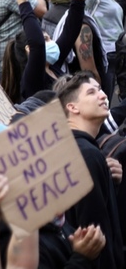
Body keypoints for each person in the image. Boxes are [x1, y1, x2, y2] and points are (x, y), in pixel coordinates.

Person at [58, 72, 124, 269]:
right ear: (72, 107)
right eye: (91, 92)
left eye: (101, 90)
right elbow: (94, 236)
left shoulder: (76, 148)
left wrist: (111, 184)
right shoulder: (87, 155)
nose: (103, 95)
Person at [2, 0, 87, 104]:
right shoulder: (32, 78)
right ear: (29, 50)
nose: (52, 42)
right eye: (47, 39)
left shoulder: (53, 66)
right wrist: (23, 3)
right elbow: (37, 43)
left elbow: (71, 30)